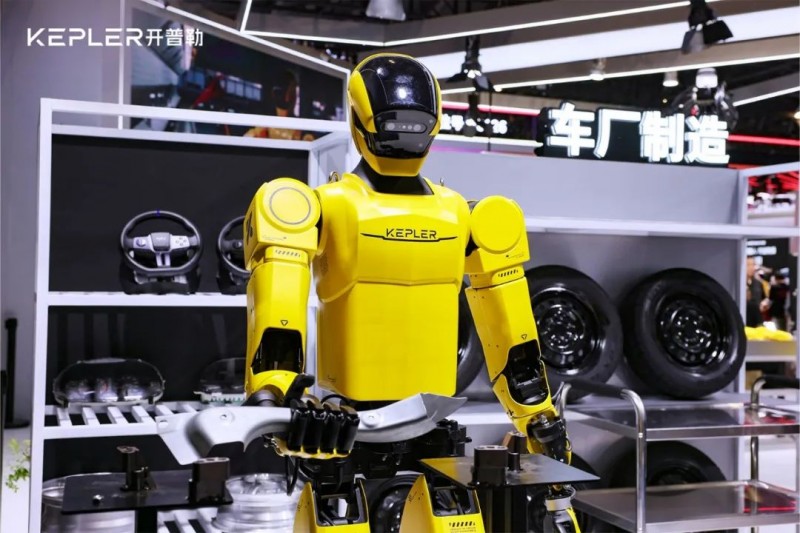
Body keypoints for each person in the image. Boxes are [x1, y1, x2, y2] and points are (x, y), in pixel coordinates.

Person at [746, 257, 770, 327]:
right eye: (748, 265)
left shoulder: (758, 283)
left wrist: (765, 303)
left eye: (753, 264)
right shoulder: (739, 285)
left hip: (757, 320)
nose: (751, 267)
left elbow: (765, 298)